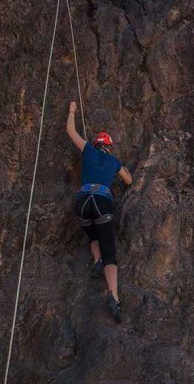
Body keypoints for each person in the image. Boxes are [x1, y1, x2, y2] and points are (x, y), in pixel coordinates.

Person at [66, 101, 133, 323]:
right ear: (109, 146)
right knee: (110, 252)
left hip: (82, 202)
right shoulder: (113, 160)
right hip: (102, 202)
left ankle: (96, 260)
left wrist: (72, 111)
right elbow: (128, 179)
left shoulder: (88, 150)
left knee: (92, 233)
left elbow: (71, 132)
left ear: (96, 143)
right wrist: (118, 169)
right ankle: (113, 296)